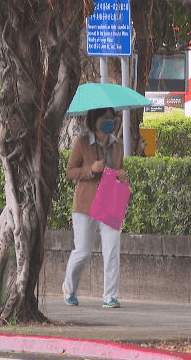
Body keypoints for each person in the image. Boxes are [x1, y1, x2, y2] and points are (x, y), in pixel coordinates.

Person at [62, 107, 127, 309]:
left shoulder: (117, 145)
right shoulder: (82, 143)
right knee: (83, 250)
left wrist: (120, 176)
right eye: (106, 118)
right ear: (95, 120)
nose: (111, 122)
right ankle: (69, 288)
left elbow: (117, 168)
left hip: (110, 198)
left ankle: (110, 296)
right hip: (85, 202)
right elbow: (70, 171)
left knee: (112, 249)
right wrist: (91, 169)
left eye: (113, 118)